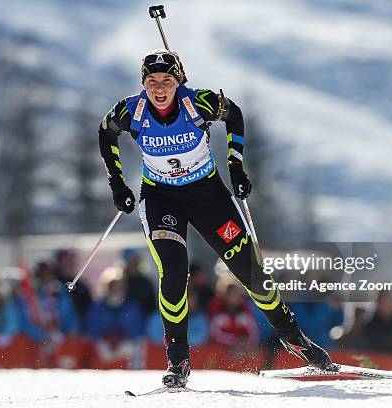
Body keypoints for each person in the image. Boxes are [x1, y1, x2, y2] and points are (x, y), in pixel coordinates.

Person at [98, 49, 334, 388]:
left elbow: (234, 115)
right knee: (174, 270)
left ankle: (293, 337)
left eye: (167, 80)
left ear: (179, 80)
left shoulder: (200, 103)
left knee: (250, 271)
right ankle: (178, 360)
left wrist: (235, 166)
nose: (159, 88)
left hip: (208, 195)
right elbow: (106, 135)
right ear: (143, 85)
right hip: (161, 197)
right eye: (152, 82)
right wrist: (117, 184)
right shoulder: (130, 110)